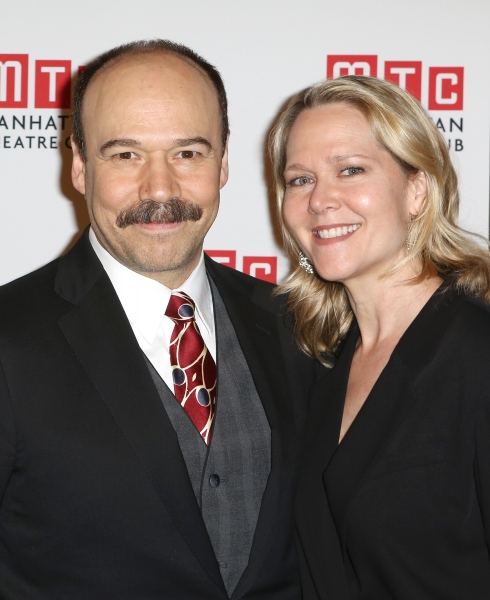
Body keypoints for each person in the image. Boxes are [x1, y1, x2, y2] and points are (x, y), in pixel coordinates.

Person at [0, 40, 315, 599]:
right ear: (79, 165)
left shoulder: (297, 324)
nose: (160, 189)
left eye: (188, 153)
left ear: (222, 163)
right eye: (125, 154)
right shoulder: (8, 336)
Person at [269, 74, 490, 599]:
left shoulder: (478, 355)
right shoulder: (320, 360)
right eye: (300, 179)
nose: (321, 200)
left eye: (351, 170)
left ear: (417, 190)